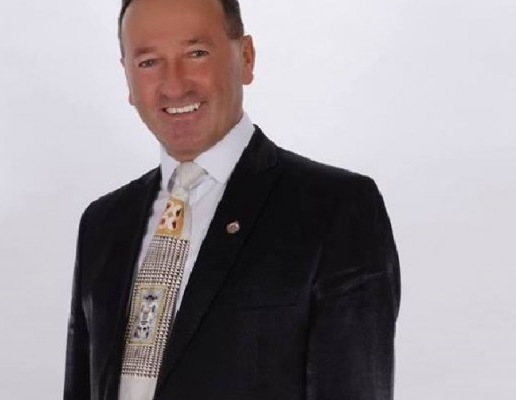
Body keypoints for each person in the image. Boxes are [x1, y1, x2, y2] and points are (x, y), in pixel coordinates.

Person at [64, 0, 400, 398]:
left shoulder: (336, 210)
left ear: (246, 57)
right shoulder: (102, 225)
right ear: (127, 77)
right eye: (149, 62)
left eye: (196, 53)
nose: (174, 85)